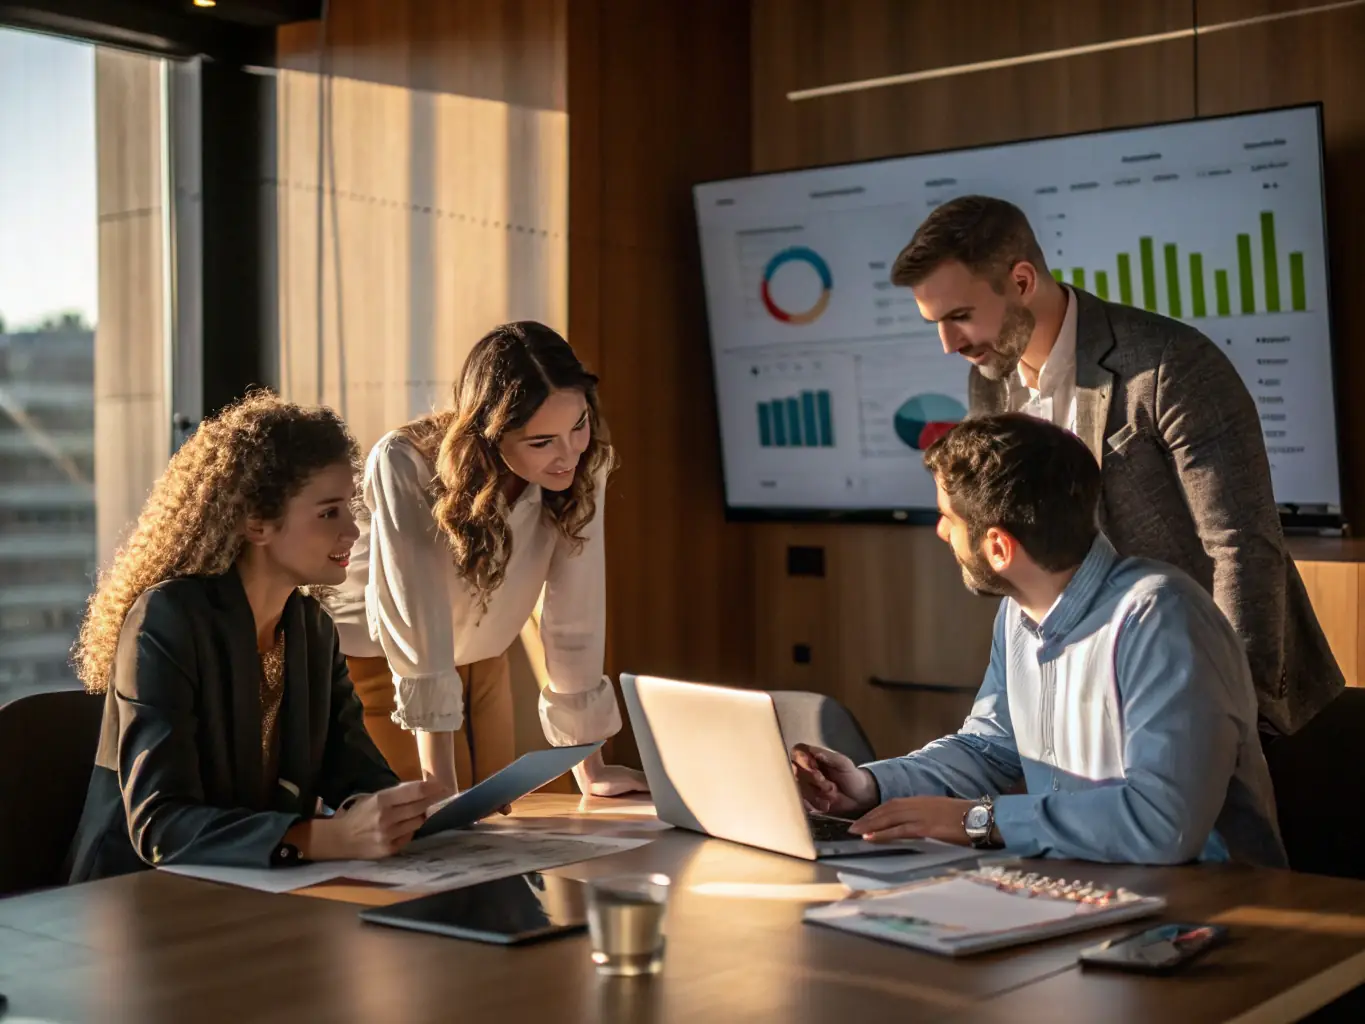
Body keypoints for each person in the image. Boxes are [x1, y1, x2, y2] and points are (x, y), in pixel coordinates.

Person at [890, 195, 1341, 740]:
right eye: (936, 323)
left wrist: (1233, 710)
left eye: (959, 316)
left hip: (1219, 695)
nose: (948, 344)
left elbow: (1242, 545)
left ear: (1022, 281)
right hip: (1102, 699)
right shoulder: (990, 380)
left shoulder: (1168, 365)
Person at [794, 414, 1286, 867]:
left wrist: (978, 821)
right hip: (1085, 890)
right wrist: (870, 785)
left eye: (949, 517)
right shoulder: (1020, 609)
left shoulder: (1163, 617)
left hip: (1213, 906)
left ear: (998, 547)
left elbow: (1162, 825)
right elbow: (988, 748)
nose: (942, 532)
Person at [68, 393, 442, 883]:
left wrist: (411, 811)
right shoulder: (167, 618)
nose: (353, 530)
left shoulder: (312, 629)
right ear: (256, 523)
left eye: (349, 509)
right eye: (329, 513)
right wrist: (326, 838)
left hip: (252, 889)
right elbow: (162, 825)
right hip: (134, 896)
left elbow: (355, 773)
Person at [325, 321, 646, 797]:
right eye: (542, 442)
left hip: (481, 654)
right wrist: (439, 784)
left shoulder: (584, 464)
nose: (568, 455)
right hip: (379, 665)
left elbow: (574, 617)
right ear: (491, 433)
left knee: (496, 818)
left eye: (578, 425)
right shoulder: (405, 462)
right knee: (424, 824)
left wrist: (590, 767)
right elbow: (418, 620)